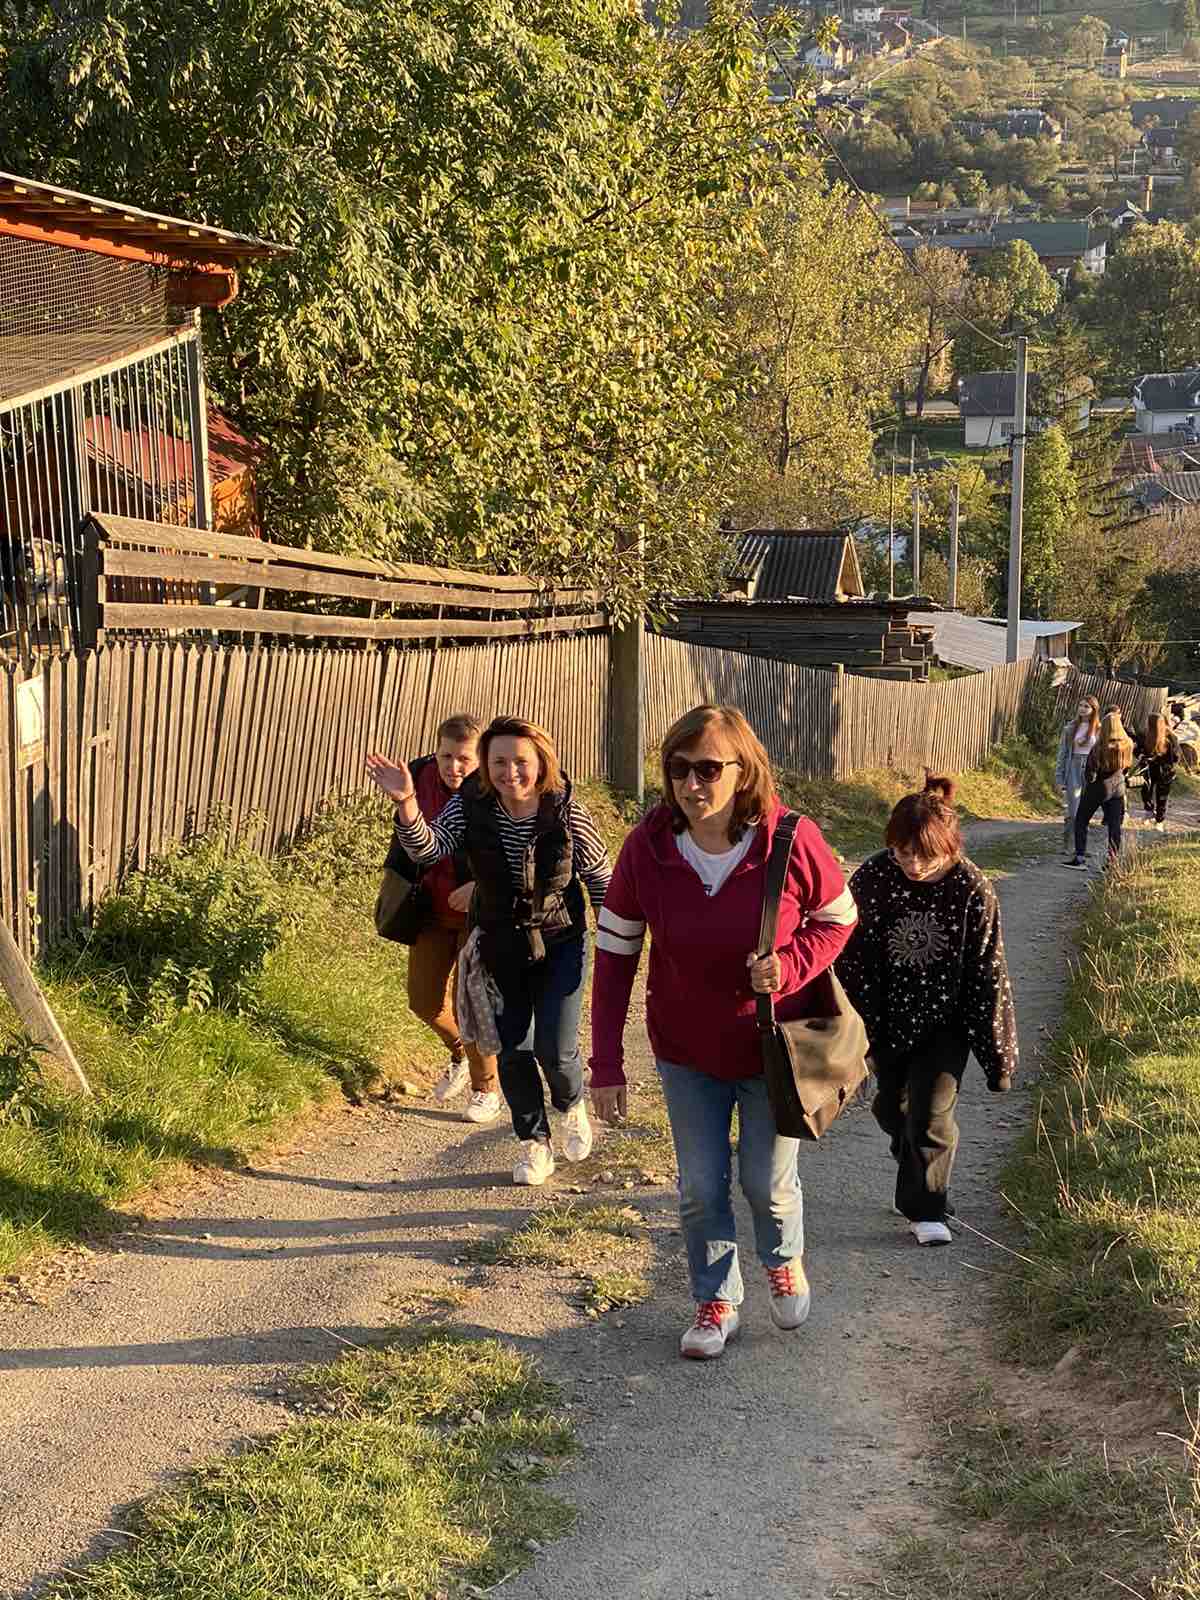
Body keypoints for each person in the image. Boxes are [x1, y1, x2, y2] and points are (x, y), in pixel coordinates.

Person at [589, 705, 858, 1360]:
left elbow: (838, 918)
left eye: (709, 768)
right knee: (701, 1187)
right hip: (686, 1050)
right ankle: (716, 1299)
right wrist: (605, 1064)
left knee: (766, 1182)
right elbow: (615, 954)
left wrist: (789, 964)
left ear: (743, 771)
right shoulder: (647, 848)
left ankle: (783, 1259)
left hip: (771, 1050)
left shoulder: (790, 839)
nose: (692, 783)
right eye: (679, 768)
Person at [366, 716, 610, 1186]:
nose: (509, 772)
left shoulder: (567, 812)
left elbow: (600, 880)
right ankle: (534, 1143)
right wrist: (407, 804)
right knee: (512, 1048)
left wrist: (619, 945)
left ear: (542, 762)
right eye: (499, 762)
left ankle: (570, 1104)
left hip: (561, 940)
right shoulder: (471, 806)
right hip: (500, 941)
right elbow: (428, 850)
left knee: (555, 1049)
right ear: (486, 765)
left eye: (520, 761)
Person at [836, 773, 1018, 1247]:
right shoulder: (874, 877)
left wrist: (997, 1056)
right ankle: (916, 1167)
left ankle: (927, 1209)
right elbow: (848, 954)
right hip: (884, 1019)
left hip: (944, 1023)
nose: (912, 865)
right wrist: (849, 1025)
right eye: (902, 853)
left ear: (949, 847)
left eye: (924, 855)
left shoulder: (972, 889)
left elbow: (988, 972)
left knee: (931, 1117)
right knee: (890, 1108)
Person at [386, 713, 501, 1124]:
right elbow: (410, 842)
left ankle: (486, 1088)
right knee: (423, 1001)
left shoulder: (493, 790)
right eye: (446, 756)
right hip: (431, 910)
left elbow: (510, 852)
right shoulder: (417, 778)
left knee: (468, 1001)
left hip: (480, 913)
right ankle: (459, 1055)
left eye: (464, 759)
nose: (453, 766)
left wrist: (481, 888)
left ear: (480, 758)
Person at [1067, 710, 1134, 871]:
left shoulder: (1099, 747)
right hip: (1118, 786)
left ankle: (1080, 857)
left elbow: (1090, 772)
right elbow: (1127, 767)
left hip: (1099, 786)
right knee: (1114, 825)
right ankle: (1112, 860)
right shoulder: (1128, 744)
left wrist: (1088, 782)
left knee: (1082, 819)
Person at [1054, 695, 1100, 857]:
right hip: (1073, 767)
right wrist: (1059, 778)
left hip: (1090, 770)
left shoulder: (1099, 729)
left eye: (1086, 706)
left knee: (1085, 811)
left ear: (1094, 710)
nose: (1082, 709)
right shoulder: (1070, 728)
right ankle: (1067, 844)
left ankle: (1081, 847)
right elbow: (1062, 754)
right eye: (1081, 705)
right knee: (1073, 811)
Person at [1134, 712, 1180, 833]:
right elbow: (1137, 749)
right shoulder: (1144, 735)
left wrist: (1162, 759)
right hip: (1148, 769)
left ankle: (1159, 820)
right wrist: (1141, 756)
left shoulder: (1170, 737)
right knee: (1146, 791)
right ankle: (1149, 812)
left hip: (1164, 771)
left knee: (1161, 796)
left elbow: (1176, 756)